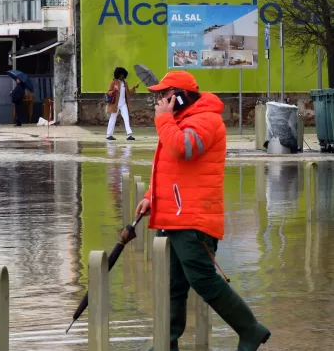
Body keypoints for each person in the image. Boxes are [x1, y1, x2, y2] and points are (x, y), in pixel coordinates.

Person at [135, 71, 270, 351]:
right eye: (159, 96)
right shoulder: (180, 120)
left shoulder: (206, 119)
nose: (159, 101)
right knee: (172, 285)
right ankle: (165, 344)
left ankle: (251, 330)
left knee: (203, 279)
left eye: (165, 94)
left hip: (193, 218)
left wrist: (164, 120)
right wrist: (151, 196)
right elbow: (172, 169)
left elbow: (183, 149)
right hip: (174, 216)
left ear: (181, 96)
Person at [106, 67, 139, 141]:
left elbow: (128, 92)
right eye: (121, 75)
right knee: (113, 118)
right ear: (118, 75)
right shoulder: (113, 82)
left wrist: (134, 87)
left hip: (123, 104)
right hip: (115, 104)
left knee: (126, 118)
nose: (122, 76)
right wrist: (114, 90)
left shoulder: (125, 83)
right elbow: (108, 92)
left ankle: (129, 134)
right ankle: (109, 135)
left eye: (123, 75)